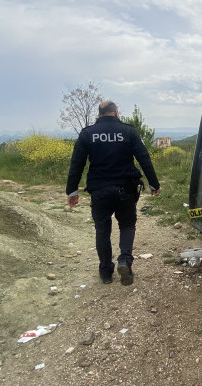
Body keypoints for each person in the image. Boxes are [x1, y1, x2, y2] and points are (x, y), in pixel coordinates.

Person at [66, 101, 161, 286]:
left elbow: (76, 164)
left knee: (102, 229)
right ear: (116, 112)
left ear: (99, 114)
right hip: (125, 189)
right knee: (127, 225)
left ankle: (106, 272)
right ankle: (125, 260)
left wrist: (72, 190)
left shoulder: (87, 133)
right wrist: (153, 183)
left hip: (99, 191)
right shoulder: (128, 131)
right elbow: (144, 158)